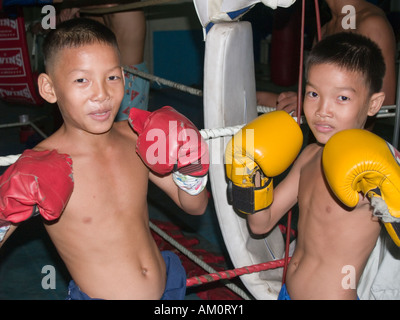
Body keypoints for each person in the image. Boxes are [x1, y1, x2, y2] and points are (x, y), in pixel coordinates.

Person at [0, 18, 209, 300]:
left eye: (112, 77)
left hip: (168, 288)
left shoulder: (138, 137)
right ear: (49, 89)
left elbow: (194, 206)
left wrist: (191, 164)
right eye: (81, 80)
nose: (101, 94)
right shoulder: (36, 169)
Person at [227, 32, 388, 299]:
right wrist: (249, 178)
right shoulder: (309, 156)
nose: (323, 109)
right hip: (287, 292)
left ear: (373, 104)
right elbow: (261, 224)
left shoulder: (372, 168)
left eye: (342, 98)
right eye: (314, 93)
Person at [256, 0, 396, 114]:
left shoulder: (370, 23)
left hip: (350, 143)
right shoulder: (323, 30)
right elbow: (319, 95)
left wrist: (307, 104)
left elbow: (386, 104)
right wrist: (260, 98)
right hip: (320, 141)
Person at [57, 1, 149, 121]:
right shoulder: (90, 11)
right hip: (100, 76)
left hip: (130, 76)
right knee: (100, 131)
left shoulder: (121, 6)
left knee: (128, 132)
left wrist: (77, 4)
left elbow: (110, 5)